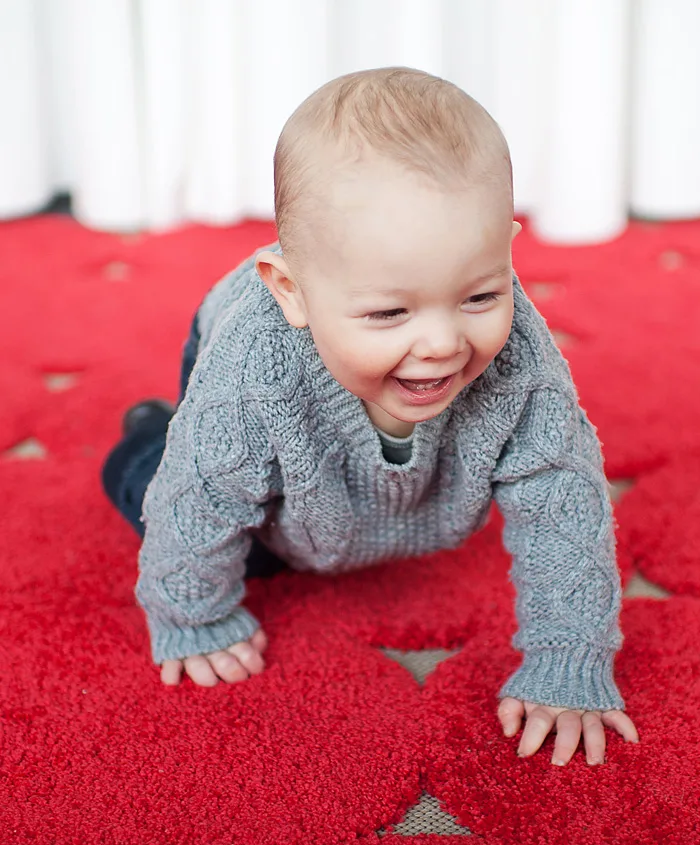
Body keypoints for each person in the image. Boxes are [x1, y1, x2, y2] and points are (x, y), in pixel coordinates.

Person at [101, 67, 639, 767]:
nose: (445, 342)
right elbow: (197, 497)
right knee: (213, 510)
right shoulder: (251, 365)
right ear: (292, 291)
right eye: (390, 312)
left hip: (345, 449)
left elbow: (561, 497)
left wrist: (569, 660)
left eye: (480, 295)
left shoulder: (519, 358)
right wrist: (193, 616)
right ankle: (148, 432)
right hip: (237, 408)